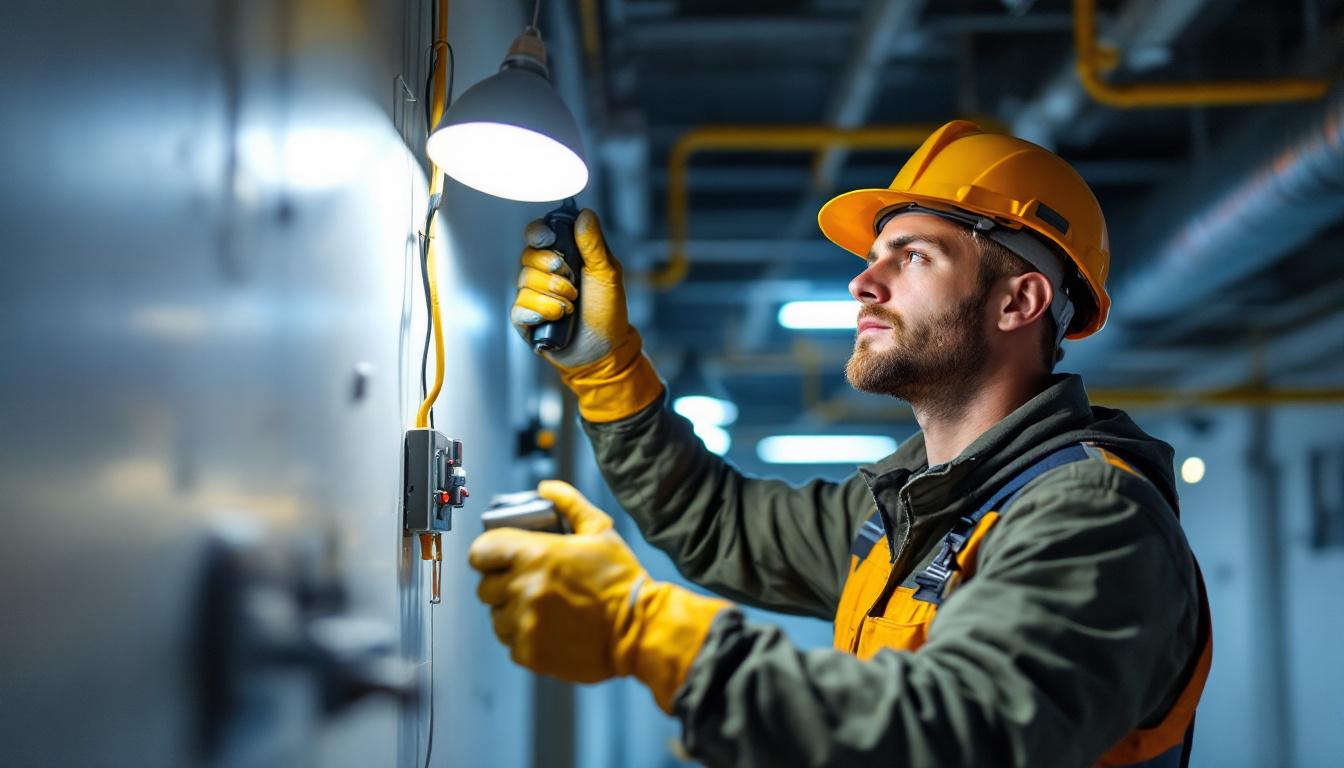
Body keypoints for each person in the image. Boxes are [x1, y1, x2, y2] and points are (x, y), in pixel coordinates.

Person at [468, 120, 1211, 768]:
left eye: (914, 256)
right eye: (876, 255)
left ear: (1019, 301)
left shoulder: (1091, 518)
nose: (864, 281)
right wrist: (608, 370)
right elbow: (719, 521)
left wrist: (648, 630)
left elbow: (959, 734)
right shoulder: (905, 509)